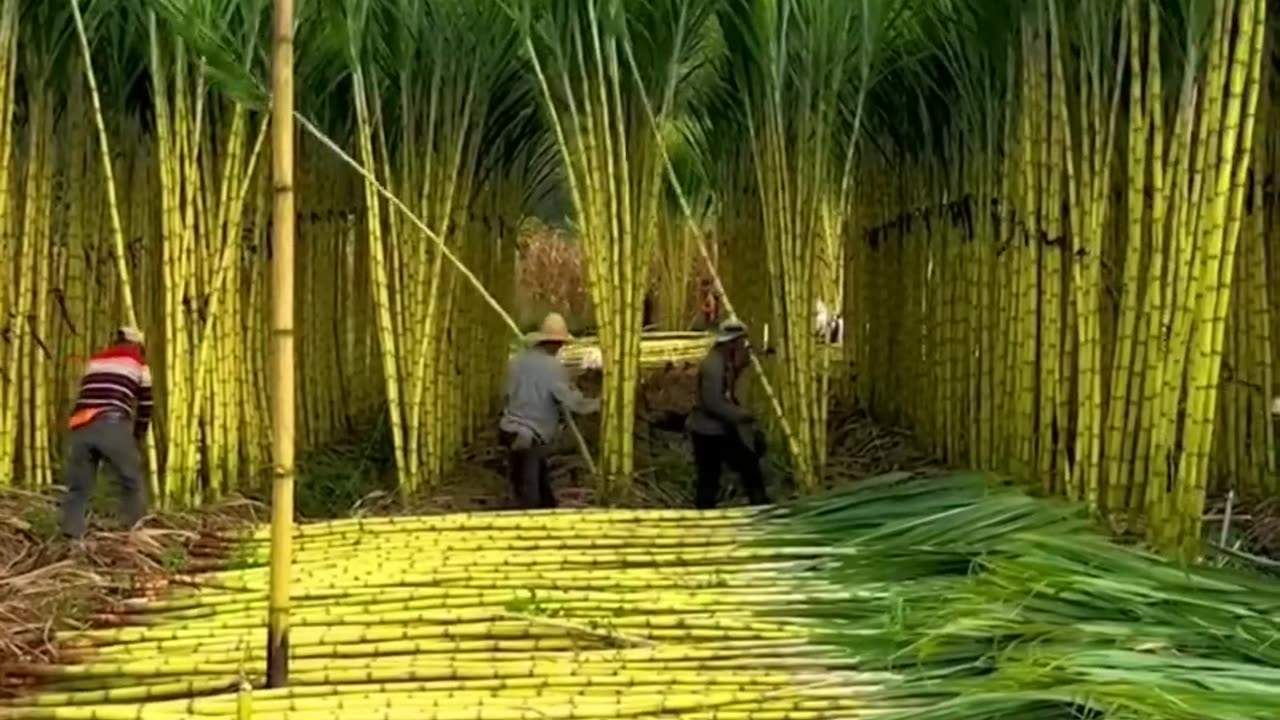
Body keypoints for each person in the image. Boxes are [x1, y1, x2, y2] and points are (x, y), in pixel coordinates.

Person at [59, 326, 154, 538]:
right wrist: (138, 435)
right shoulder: (139, 364)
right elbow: (146, 404)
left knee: (78, 486)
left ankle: (71, 534)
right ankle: (135, 533)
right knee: (131, 480)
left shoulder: (94, 362)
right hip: (111, 423)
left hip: (80, 426)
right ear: (137, 345)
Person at [499, 313, 600, 508]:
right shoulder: (554, 368)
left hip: (508, 431)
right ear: (555, 344)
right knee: (531, 497)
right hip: (530, 437)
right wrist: (598, 403)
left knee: (534, 487)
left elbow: (505, 394)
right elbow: (574, 403)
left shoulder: (516, 362)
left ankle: (541, 508)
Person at [686, 317, 769, 509]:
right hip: (708, 432)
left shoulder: (725, 359)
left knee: (749, 465)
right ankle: (704, 518)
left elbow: (731, 381)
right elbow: (713, 402)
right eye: (740, 341)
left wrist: (746, 361)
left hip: (721, 429)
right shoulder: (713, 365)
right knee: (710, 478)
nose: (743, 344)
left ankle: (760, 505)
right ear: (731, 342)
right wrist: (741, 415)